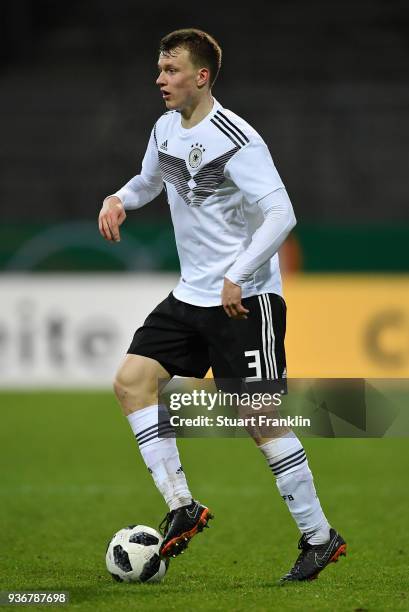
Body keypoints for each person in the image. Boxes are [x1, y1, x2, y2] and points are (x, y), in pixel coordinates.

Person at [98, 28, 346, 582]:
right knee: (131, 381)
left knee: (259, 419)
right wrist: (119, 199)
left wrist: (239, 273)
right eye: (159, 70)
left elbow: (282, 214)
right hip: (192, 294)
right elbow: (148, 181)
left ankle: (320, 537)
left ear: (201, 76)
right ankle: (182, 504)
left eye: (171, 70)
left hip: (245, 299)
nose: (160, 80)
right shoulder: (165, 128)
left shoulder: (236, 137)